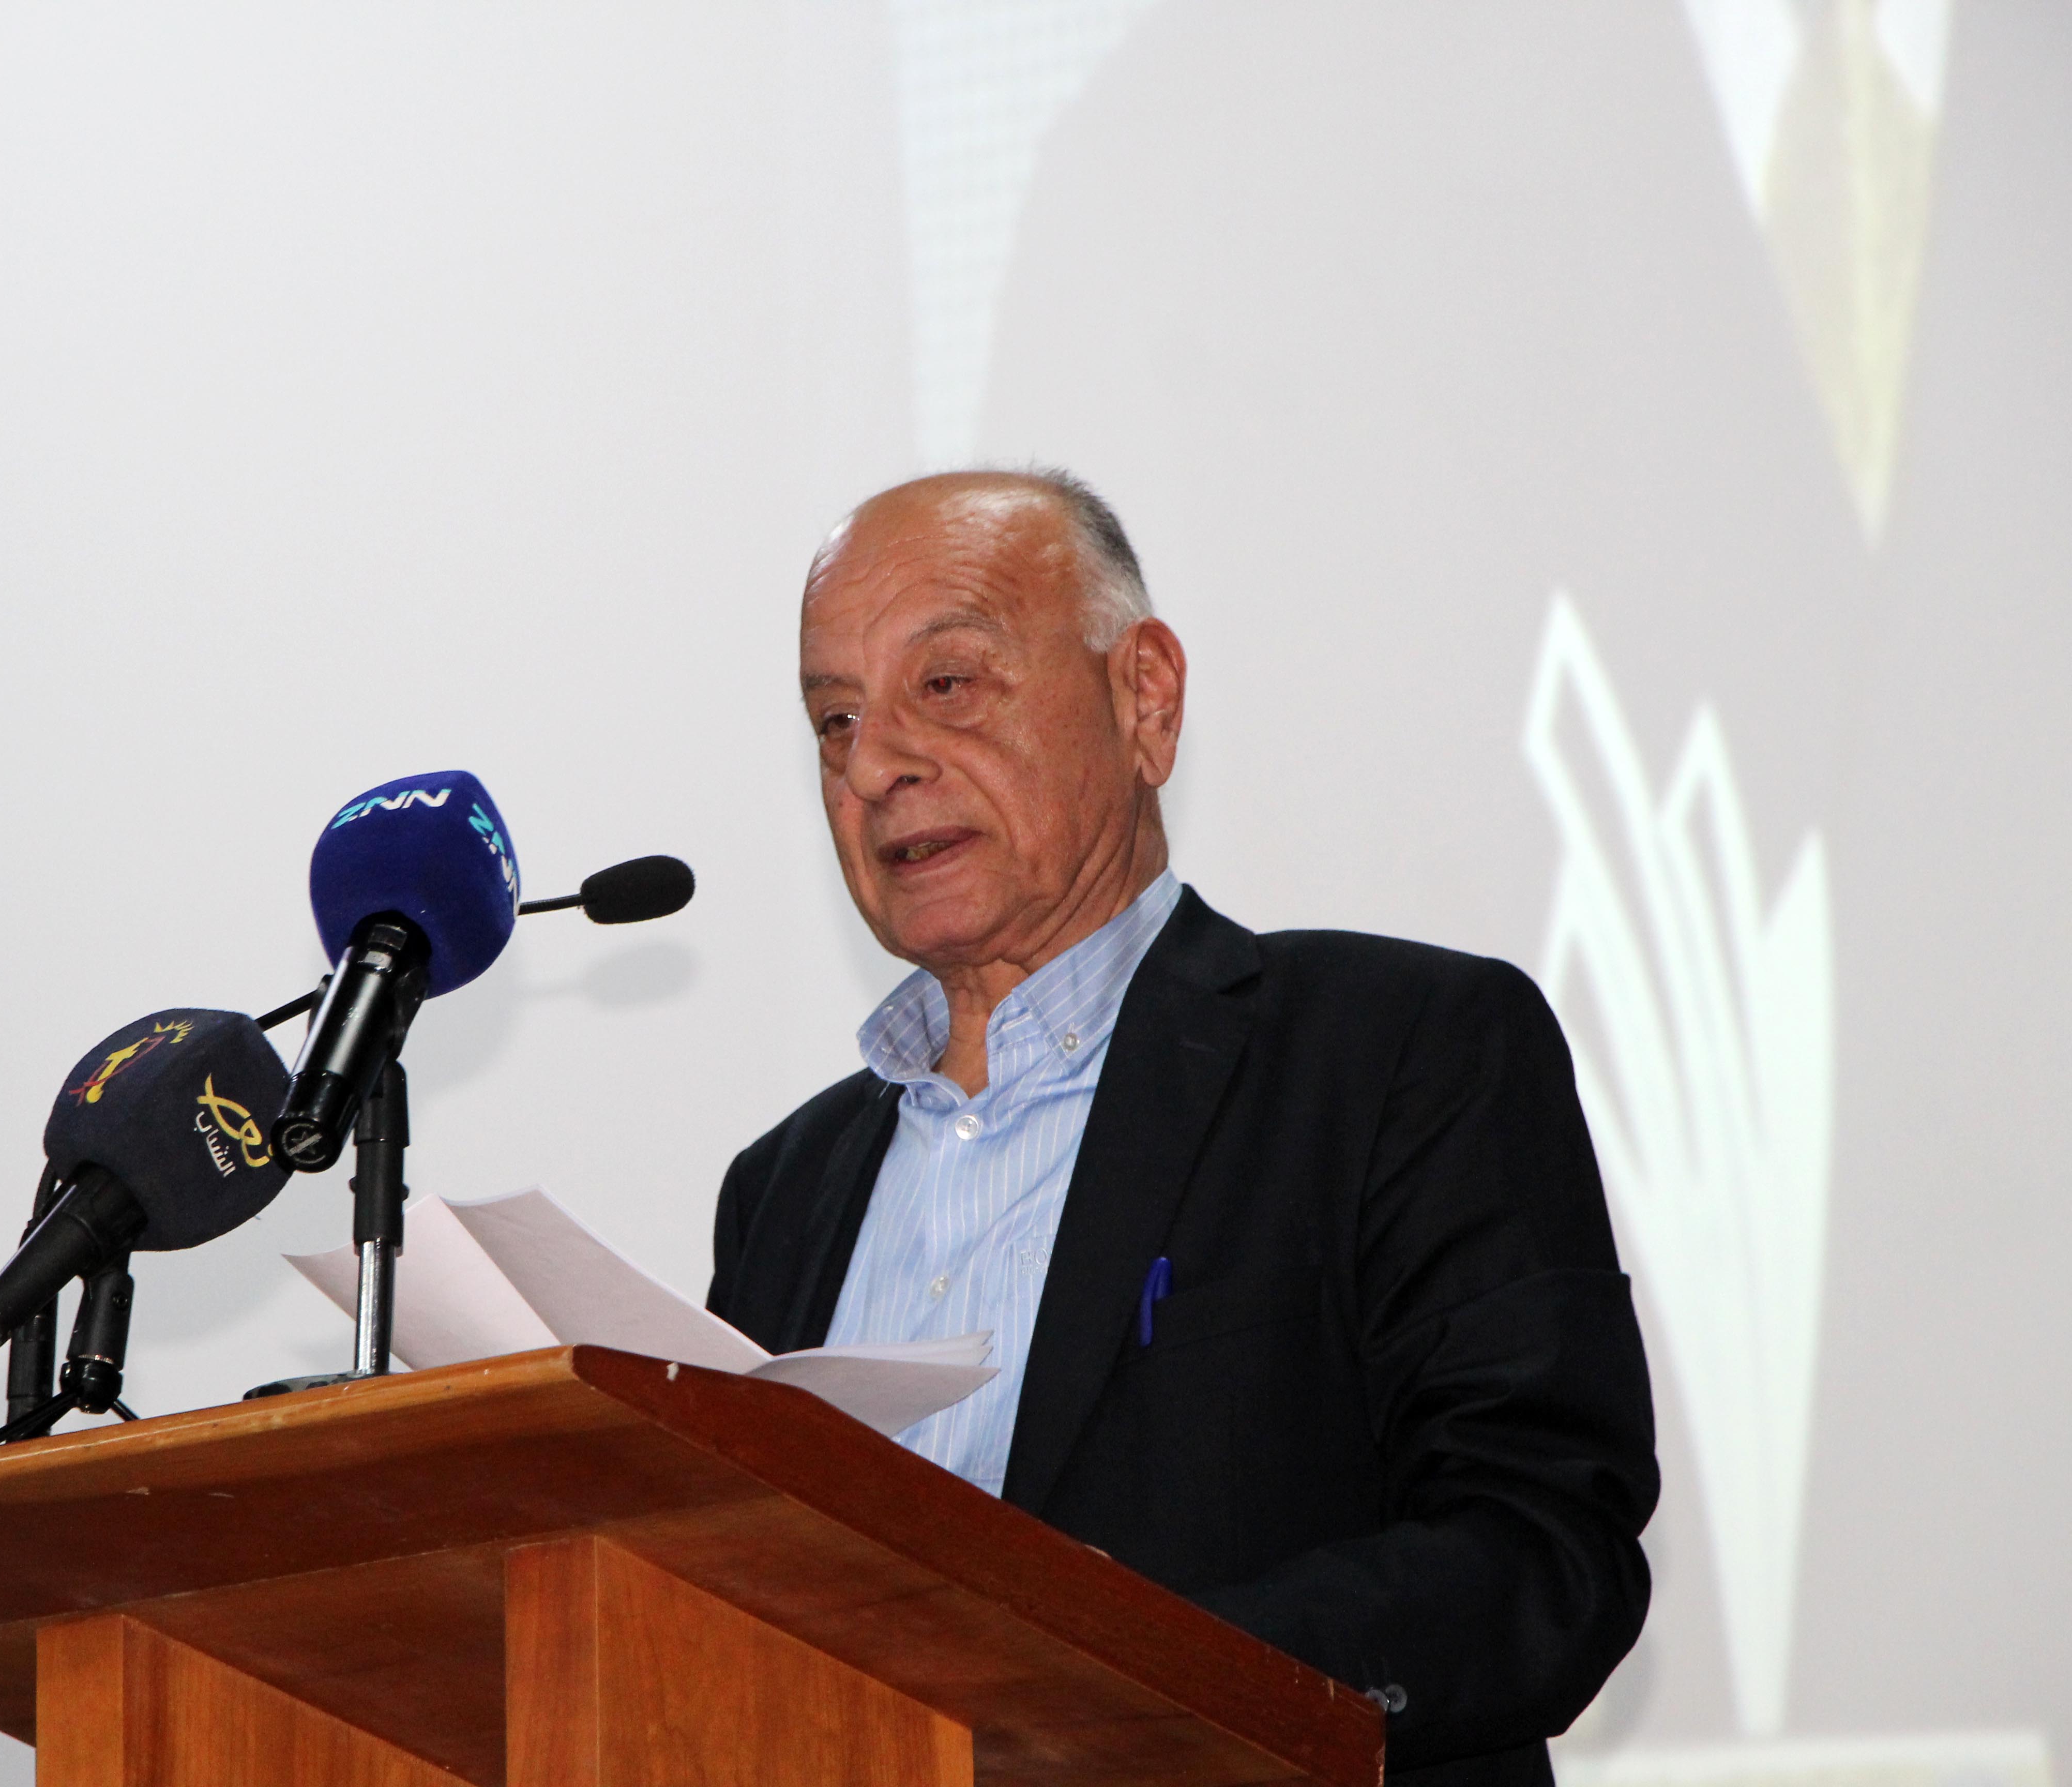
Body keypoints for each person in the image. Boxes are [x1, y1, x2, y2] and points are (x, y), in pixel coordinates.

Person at [706, 470, 1658, 1787]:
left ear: (1144, 698)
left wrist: (1125, 1675)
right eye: (835, 719)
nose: (874, 766)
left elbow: (1542, 1558)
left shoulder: (1398, 1054)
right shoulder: (782, 1192)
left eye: (949, 684)